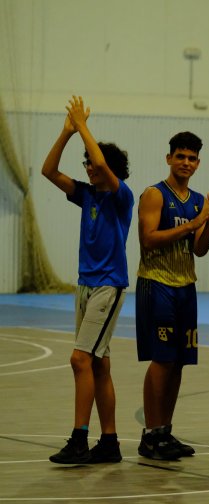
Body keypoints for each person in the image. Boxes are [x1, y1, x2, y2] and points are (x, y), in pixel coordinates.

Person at [41, 96, 133, 464]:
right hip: (85, 285)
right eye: (90, 165)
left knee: (80, 359)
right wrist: (66, 133)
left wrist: (82, 126)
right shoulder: (86, 195)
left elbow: (99, 161)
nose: (90, 168)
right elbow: (48, 171)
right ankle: (109, 442)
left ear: (112, 170)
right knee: (98, 364)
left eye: (97, 165)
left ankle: (79, 438)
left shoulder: (121, 195)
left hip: (109, 285)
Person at [136, 131, 209, 460]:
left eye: (192, 158)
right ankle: (150, 433)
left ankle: (165, 432)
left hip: (186, 285)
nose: (186, 162)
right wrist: (194, 223)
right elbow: (149, 239)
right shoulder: (154, 195)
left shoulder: (199, 200)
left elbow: (199, 249)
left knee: (179, 362)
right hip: (157, 283)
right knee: (162, 359)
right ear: (169, 158)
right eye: (180, 156)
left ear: (198, 163)